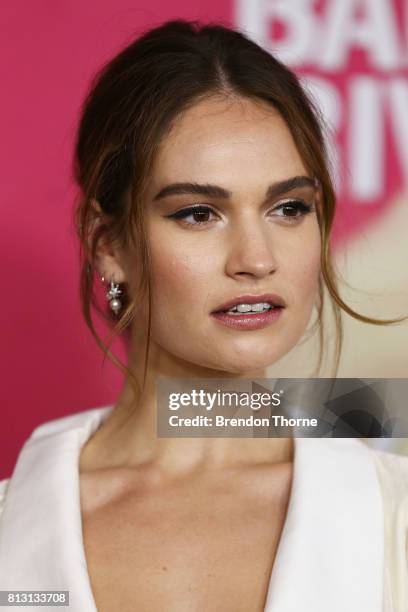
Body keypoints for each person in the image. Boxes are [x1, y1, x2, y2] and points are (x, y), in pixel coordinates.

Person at [0, 18, 407, 612]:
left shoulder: (393, 514)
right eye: (197, 214)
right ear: (107, 244)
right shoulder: (13, 529)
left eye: (288, 207)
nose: (256, 259)